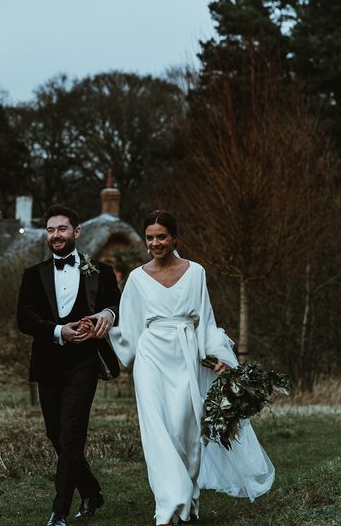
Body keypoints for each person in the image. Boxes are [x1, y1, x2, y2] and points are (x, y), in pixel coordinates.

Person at [109, 210, 274, 525]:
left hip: (186, 354)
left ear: (174, 238)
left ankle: (189, 505)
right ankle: (168, 509)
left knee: (187, 433)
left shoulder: (196, 272)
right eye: (150, 237)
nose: (155, 243)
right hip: (151, 358)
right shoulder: (136, 278)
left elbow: (206, 319)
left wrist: (219, 354)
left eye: (162, 236)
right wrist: (106, 330)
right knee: (157, 432)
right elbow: (128, 331)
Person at [17, 204, 121, 526]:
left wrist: (108, 314)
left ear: (76, 233)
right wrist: (58, 331)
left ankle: (58, 513)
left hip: (84, 363)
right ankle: (91, 491)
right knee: (55, 434)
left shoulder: (100, 272)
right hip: (49, 361)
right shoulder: (33, 275)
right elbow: (24, 318)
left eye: (61, 229)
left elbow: (116, 304)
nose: (55, 235)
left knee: (72, 436)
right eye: (50, 230)